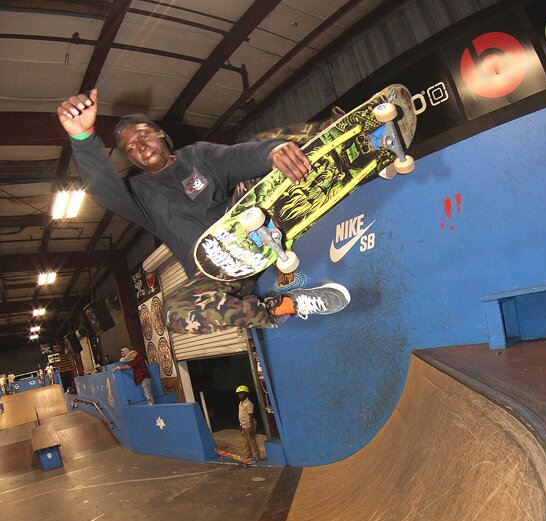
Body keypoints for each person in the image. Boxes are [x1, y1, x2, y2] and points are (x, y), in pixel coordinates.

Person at [56, 89, 350, 337]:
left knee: (269, 141)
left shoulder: (196, 156)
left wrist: (270, 152)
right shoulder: (140, 195)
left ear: (160, 133)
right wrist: (82, 138)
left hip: (254, 225)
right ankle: (285, 306)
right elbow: (102, 188)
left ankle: (347, 138)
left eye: (143, 136)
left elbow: (234, 158)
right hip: (220, 270)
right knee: (175, 313)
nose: (141, 147)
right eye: (131, 148)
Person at [236, 386, 261, 461]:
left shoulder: (249, 404)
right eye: (239, 393)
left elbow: (250, 416)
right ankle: (249, 455)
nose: (240, 395)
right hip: (243, 425)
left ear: (246, 394)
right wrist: (241, 424)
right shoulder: (241, 403)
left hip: (249, 424)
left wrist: (251, 427)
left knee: (252, 441)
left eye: (242, 393)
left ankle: (257, 456)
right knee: (246, 442)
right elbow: (241, 415)